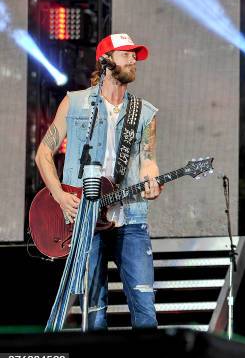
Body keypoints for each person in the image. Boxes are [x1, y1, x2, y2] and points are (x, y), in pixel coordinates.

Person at [35, 33, 162, 329]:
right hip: (83, 218)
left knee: (145, 308)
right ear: (106, 62)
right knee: (94, 313)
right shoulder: (75, 103)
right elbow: (44, 152)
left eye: (135, 55)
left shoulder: (144, 113)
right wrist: (59, 196)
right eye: (126, 54)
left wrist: (152, 178)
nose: (133, 60)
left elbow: (148, 159)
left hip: (130, 219)